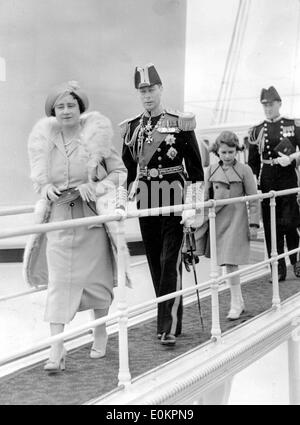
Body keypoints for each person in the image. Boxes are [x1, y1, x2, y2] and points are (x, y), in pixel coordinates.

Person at [24, 81, 129, 373]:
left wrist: (95, 186)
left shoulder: (96, 138)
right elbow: (39, 179)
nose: (66, 111)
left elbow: (121, 173)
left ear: (80, 108)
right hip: (58, 219)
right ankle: (56, 350)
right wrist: (44, 187)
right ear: (53, 111)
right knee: (58, 284)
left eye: (71, 105)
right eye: (60, 106)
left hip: (90, 218)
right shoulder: (44, 141)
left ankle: (100, 331)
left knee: (97, 280)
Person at [120, 64, 204, 346]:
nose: (146, 95)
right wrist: (121, 203)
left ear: (161, 89)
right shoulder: (132, 128)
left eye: (151, 89)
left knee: (171, 260)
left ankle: (167, 326)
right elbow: (127, 170)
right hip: (146, 198)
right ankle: (166, 320)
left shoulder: (179, 123)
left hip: (173, 196)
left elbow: (195, 169)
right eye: (142, 91)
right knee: (156, 261)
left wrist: (193, 207)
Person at [194, 131, 260, 319]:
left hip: (237, 219)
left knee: (230, 262)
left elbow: (254, 199)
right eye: (224, 152)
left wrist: (254, 224)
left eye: (231, 152)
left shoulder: (244, 170)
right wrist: (197, 218)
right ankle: (238, 300)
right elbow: (206, 197)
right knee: (224, 264)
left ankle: (235, 304)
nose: (228, 156)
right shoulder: (212, 170)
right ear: (217, 152)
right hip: (218, 220)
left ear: (236, 151)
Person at [248, 86, 300, 282]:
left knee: (291, 221)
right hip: (268, 178)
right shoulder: (257, 130)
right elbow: (253, 161)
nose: (268, 108)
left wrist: (293, 158)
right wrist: (255, 180)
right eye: (265, 105)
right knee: (271, 225)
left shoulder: (292, 125)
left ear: (279, 103)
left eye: (271, 104)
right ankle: (277, 268)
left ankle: (296, 260)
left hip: (288, 177)